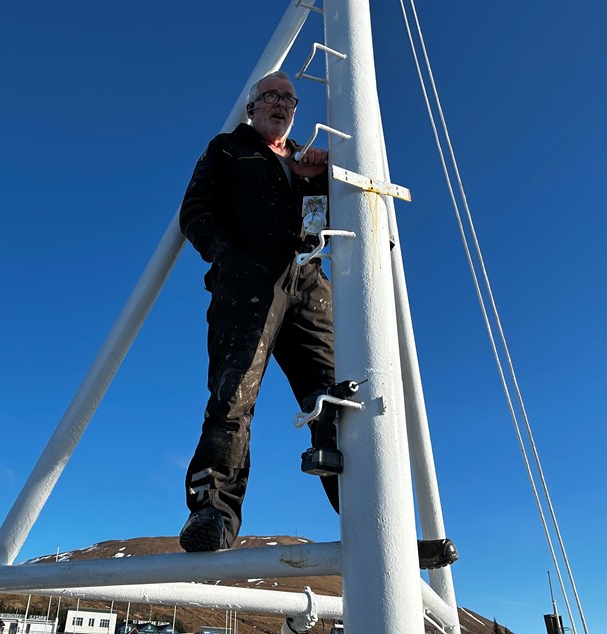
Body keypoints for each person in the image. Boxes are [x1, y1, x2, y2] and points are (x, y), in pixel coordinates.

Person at [178, 71, 457, 570]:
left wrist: (314, 181)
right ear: (252, 107)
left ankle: (379, 526)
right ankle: (213, 513)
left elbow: (318, 224)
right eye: (271, 96)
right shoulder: (228, 149)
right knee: (233, 394)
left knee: (337, 398)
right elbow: (195, 210)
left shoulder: (306, 158)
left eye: (289, 99)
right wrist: (228, 258)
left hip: (308, 282)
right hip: (248, 282)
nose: (282, 104)